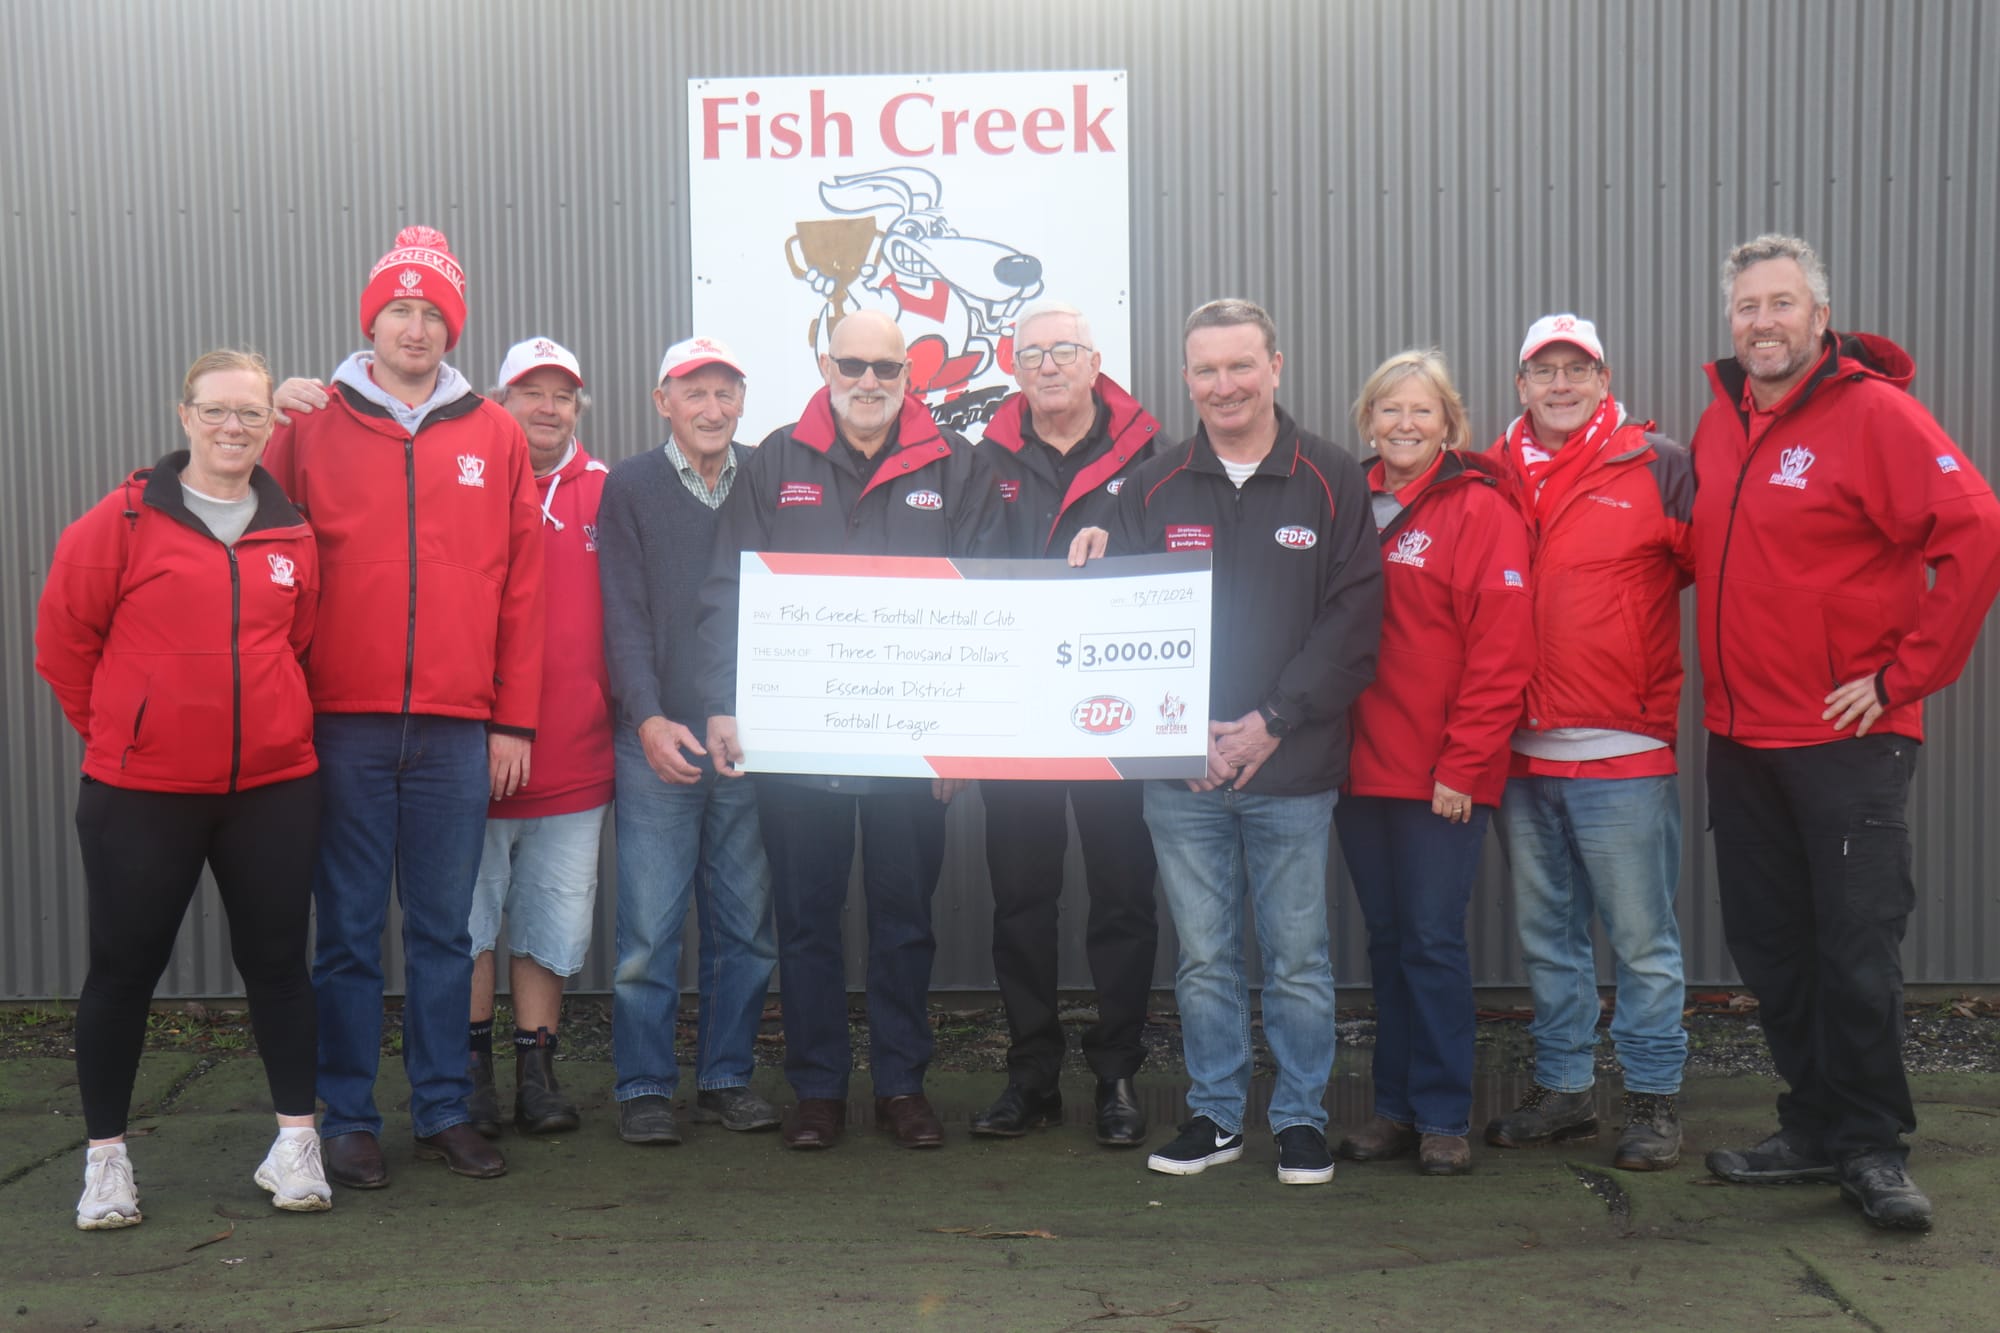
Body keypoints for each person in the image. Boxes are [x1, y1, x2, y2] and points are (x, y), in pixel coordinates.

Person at [1692, 234, 2000, 1232]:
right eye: (1746, 306)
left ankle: (1871, 1146)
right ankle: (1812, 1122)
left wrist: (1904, 676)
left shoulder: (1872, 414)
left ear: (1818, 317)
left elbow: (1975, 528)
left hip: (1842, 739)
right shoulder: (1719, 422)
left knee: (1852, 949)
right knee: (1770, 945)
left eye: (1781, 304)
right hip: (1739, 735)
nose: (1761, 322)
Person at [1075, 298, 1384, 1186]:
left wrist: (1269, 722)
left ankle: (1299, 1119)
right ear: (1186, 378)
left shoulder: (1329, 477)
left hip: (1293, 766)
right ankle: (1214, 1114)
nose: (1225, 385)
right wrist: (1184, 737)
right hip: (1185, 777)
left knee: (1297, 958)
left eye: (1240, 366)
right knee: (1205, 955)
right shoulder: (1154, 485)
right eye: (1206, 370)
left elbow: (1353, 620)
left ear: (1276, 366)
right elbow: (1126, 622)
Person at [264, 226, 545, 1188]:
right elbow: (256, 553)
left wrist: (513, 717)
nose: (415, 327)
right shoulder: (307, 425)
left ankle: (441, 1108)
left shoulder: (495, 432)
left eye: (433, 312)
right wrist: (265, 410)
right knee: (343, 928)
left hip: (457, 729)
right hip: (339, 721)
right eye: (399, 308)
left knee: (444, 929)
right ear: (371, 319)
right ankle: (346, 1115)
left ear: (451, 326)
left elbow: (521, 586)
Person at [697, 310, 1005, 1151]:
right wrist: (723, 701)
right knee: (806, 916)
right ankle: (820, 1088)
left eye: (885, 367)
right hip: (797, 743)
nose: (868, 381)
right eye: (852, 365)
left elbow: (984, 598)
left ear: (911, 375)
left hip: (914, 744)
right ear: (825, 366)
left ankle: (902, 1084)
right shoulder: (775, 461)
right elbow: (729, 588)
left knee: (905, 916)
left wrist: (965, 732)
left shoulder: (956, 462)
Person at [36, 349, 330, 1228]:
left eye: (250, 413)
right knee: (123, 971)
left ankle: (295, 1145)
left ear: (271, 426)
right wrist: (129, 735)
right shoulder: (120, 521)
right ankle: (106, 1163)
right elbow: (64, 644)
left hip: (273, 787)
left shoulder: (293, 534)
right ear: (184, 414)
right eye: (217, 411)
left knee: (279, 965)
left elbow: (298, 643)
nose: (233, 427)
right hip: (142, 793)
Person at [1480, 314, 1696, 1172]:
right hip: (1521, 751)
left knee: (1643, 940)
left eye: (1579, 368)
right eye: (1545, 370)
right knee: (1549, 934)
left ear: (1605, 381)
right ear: (1521, 384)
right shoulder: (1487, 473)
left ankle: (1652, 1098)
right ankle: (1566, 1091)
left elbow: (1722, 573)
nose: (1561, 384)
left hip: (1623, 749)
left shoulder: (1659, 464)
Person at [1332, 350, 1534, 1177]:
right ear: (1368, 420)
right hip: (1356, 768)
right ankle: (1394, 1110)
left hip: (1442, 774)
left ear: (1449, 422)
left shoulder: (1480, 510)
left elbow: (1502, 650)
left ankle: (1446, 1111)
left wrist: (1465, 761)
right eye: (1389, 410)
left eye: (1421, 411)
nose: (1404, 424)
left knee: (1432, 941)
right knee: (1384, 943)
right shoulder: (1348, 499)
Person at [969, 300, 1163, 1149]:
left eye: (1065, 351)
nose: (1049, 365)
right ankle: (1031, 1073)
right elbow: (960, 572)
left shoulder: (1152, 456)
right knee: (1021, 898)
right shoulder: (982, 459)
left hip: (1112, 716)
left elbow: (1179, 566)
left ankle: (1117, 1073)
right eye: (1034, 352)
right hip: (1015, 718)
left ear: (1095, 362)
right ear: (1015, 366)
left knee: (1123, 895)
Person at [597, 336, 780, 1146]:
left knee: (745, 927)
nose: (712, 409)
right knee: (649, 930)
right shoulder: (630, 486)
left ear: (743, 402)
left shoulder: (769, 478)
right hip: (658, 739)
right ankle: (642, 1084)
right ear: (661, 399)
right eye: (694, 393)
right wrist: (645, 715)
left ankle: (726, 1076)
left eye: (726, 393)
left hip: (748, 737)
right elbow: (622, 614)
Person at [460, 338, 614, 1139]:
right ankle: (473, 1073)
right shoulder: (470, 480)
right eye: (531, 392)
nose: (547, 407)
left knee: (552, 926)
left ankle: (537, 1071)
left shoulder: (607, 490)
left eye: (562, 394)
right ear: (501, 399)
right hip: (477, 757)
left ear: (579, 408)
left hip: (576, 758)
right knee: (471, 921)